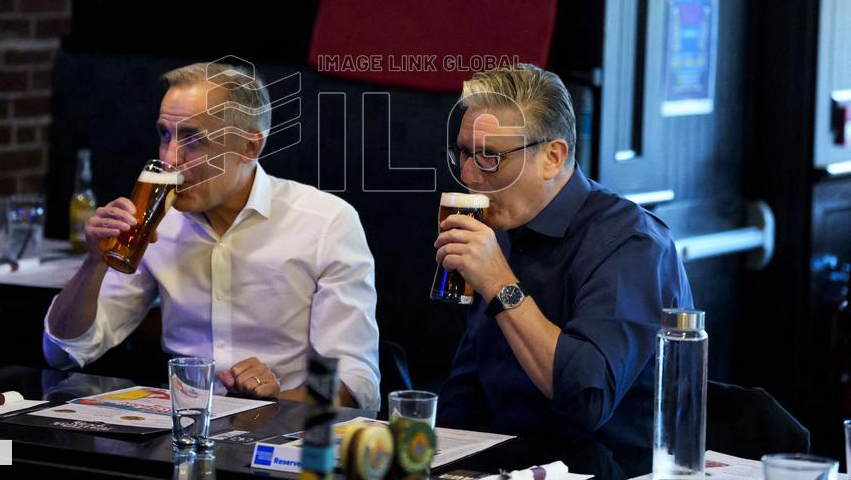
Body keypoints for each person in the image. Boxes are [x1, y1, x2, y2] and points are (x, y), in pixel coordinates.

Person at [43, 62, 380, 410]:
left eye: (192, 139)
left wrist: (274, 401)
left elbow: (356, 384)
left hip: (287, 438)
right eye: (164, 135)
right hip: (180, 428)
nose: (169, 158)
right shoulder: (156, 221)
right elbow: (65, 351)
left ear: (249, 147)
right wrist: (94, 262)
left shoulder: (325, 222)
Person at [435, 64, 693, 447]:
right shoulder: (502, 232)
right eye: (463, 153)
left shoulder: (631, 244)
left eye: (490, 157)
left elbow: (587, 400)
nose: (469, 176)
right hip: (511, 465)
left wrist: (500, 284)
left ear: (553, 157)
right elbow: (467, 394)